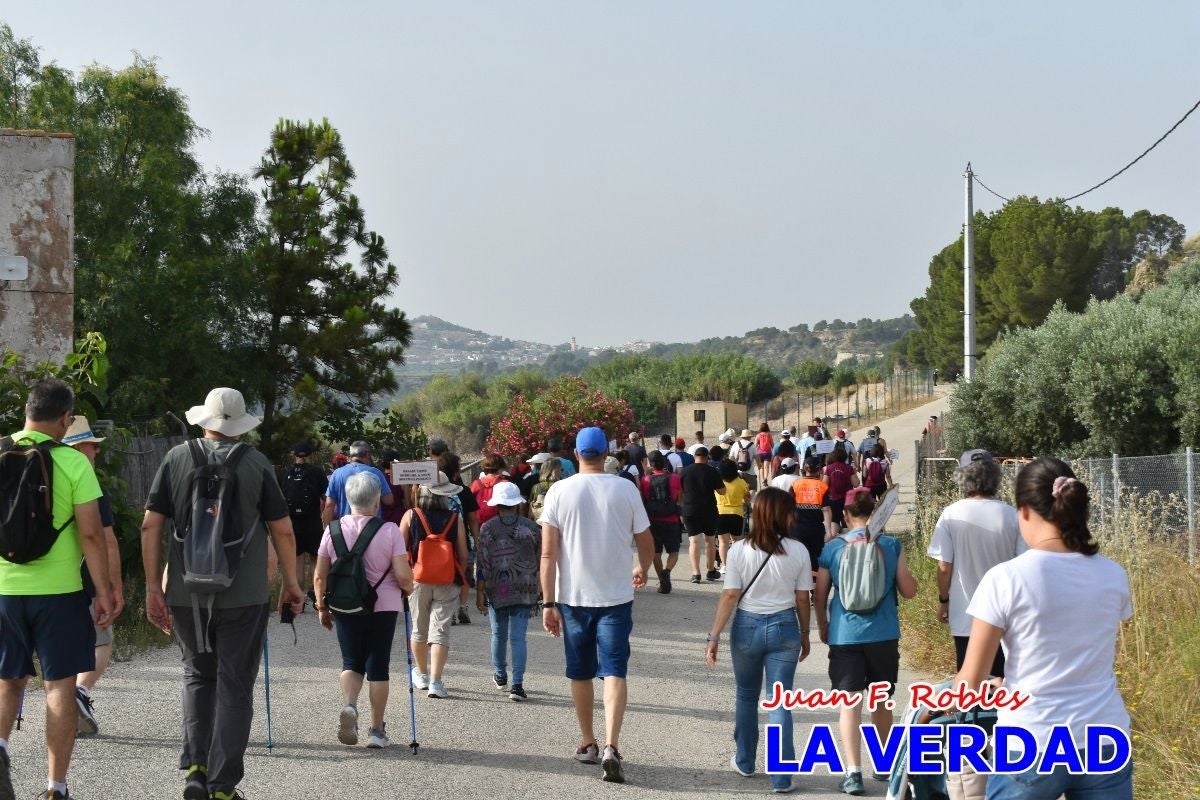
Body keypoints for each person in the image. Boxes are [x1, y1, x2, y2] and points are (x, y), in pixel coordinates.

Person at [141, 387, 303, 800]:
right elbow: (282, 529)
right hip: (244, 595)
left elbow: (150, 526)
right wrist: (291, 582)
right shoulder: (257, 463)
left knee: (197, 675)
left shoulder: (176, 458)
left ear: (204, 420)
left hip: (184, 590)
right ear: (240, 424)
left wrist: (151, 587)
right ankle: (222, 787)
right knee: (234, 685)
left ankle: (196, 769)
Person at [954, 458, 1133, 799]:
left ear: (1023, 512)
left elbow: (970, 682)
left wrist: (934, 703)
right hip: (1105, 737)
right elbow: (1096, 658)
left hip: (1032, 740)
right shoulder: (1113, 575)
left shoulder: (1005, 579)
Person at [0, 381, 114, 800]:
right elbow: (90, 534)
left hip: (4, 591)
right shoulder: (73, 462)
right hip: (61, 593)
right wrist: (103, 590)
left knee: (7, 680)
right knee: (59, 686)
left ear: (27, 410)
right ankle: (55, 787)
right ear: (65, 419)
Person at [539, 426, 654, 784]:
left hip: (573, 599)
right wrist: (643, 567)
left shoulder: (558, 491)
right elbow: (646, 541)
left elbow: (547, 553)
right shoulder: (625, 489)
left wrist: (548, 602)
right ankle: (612, 745)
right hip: (616, 597)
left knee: (580, 671)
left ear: (576, 454)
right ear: (608, 454)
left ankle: (588, 741)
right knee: (615, 670)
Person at [704, 488, 812, 794]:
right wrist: (805, 634)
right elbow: (802, 599)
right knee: (780, 702)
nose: (794, 516)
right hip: (785, 626)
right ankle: (782, 776)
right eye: (791, 511)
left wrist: (714, 636)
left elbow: (729, 596)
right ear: (781, 515)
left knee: (747, 696)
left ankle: (746, 760)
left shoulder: (739, 550)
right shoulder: (798, 551)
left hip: (747, 626)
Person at [814, 487, 918, 796]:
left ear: (845, 515)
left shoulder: (833, 548)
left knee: (850, 704)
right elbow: (909, 590)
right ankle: (884, 765)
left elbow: (819, 595)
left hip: (845, 635)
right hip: (883, 634)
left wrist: (823, 626)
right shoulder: (889, 544)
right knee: (881, 701)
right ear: (874, 513)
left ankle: (853, 772)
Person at [312, 472, 414, 749]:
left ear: (347, 499)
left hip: (345, 604)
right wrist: (410, 588)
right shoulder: (390, 530)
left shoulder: (331, 531)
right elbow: (404, 576)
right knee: (378, 666)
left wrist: (322, 606)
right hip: (383, 606)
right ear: (377, 499)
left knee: (351, 662)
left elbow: (320, 576)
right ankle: (377, 731)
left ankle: (350, 706)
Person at [928, 449, 1024, 676]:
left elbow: (944, 568)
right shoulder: (1012, 515)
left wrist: (944, 600)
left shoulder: (951, 514)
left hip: (965, 613)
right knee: (1003, 683)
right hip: (1005, 615)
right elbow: (1023, 566)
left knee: (969, 683)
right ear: (995, 476)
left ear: (962, 476)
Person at [63, 416, 125, 738]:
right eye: (91, 445)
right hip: (87, 578)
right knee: (103, 639)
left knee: (60, 648)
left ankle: (61, 704)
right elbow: (105, 540)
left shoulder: (45, 478)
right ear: (78, 447)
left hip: (49, 581)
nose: (96, 452)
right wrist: (112, 586)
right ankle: (81, 692)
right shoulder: (88, 483)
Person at [400, 471, 469, 698]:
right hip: (447, 580)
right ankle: (436, 682)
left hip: (417, 579)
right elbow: (463, 554)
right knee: (440, 631)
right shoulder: (454, 518)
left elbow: (399, 550)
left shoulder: (411, 515)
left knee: (418, 629)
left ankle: (420, 674)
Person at [474, 481, 541, 702]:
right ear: (516, 503)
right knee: (519, 637)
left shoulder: (487, 528)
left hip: (498, 587)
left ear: (496, 504)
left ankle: (500, 675)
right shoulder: (531, 528)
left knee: (498, 634)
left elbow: (482, 563)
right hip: (525, 586)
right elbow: (541, 557)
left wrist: (480, 591)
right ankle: (517, 685)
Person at [281, 441, 329, 608]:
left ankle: (298, 603)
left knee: (297, 563)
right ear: (311, 456)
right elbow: (326, 498)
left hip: (293, 524)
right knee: (316, 561)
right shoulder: (317, 472)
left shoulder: (286, 472)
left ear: (294, 455)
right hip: (313, 523)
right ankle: (318, 599)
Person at [437, 452, 479, 626]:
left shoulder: (433, 490)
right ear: (456, 471)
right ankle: (462, 606)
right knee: (464, 574)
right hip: (462, 539)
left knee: (446, 575)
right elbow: (472, 519)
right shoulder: (464, 491)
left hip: (440, 541)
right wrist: (477, 540)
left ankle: (449, 610)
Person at [640, 452, 683, 594]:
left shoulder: (645, 480)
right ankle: (667, 571)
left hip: (653, 520)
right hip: (671, 519)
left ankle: (662, 581)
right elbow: (679, 498)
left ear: (650, 465)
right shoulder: (675, 478)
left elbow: (643, 500)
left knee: (655, 552)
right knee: (674, 551)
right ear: (665, 463)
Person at [680, 447, 725, 583]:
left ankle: (696, 574)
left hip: (689, 509)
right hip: (708, 509)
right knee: (709, 541)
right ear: (707, 458)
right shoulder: (712, 471)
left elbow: (679, 492)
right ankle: (710, 571)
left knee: (694, 541)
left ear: (695, 456)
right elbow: (722, 491)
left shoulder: (684, 471)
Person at [323, 441, 393, 526]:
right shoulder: (376, 473)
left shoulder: (337, 474)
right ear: (367, 454)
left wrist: (328, 530)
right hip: (372, 528)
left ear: (350, 455)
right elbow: (388, 500)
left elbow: (329, 506)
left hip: (344, 529)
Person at [790, 457, 833, 579]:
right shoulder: (822, 487)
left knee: (798, 559)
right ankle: (814, 590)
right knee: (815, 560)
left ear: (804, 469)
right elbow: (826, 509)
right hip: (816, 530)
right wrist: (829, 531)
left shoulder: (795, 485)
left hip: (797, 529)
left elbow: (788, 507)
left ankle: (799, 590)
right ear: (819, 470)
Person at [715, 459, 751, 574]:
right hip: (737, 513)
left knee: (723, 542)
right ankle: (737, 565)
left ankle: (725, 565)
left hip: (720, 513)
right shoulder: (741, 483)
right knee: (737, 542)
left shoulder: (718, 482)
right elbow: (747, 499)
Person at [822, 444, 861, 532]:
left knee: (834, 520)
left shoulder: (828, 468)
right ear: (844, 457)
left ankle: (835, 541)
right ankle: (846, 542)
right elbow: (856, 484)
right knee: (846, 521)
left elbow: (824, 485)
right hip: (848, 499)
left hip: (833, 499)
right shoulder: (849, 468)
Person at [528, 456, 562, 522]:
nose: (561, 472)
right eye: (561, 469)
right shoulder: (562, 486)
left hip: (540, 522)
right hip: (556, 522)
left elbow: (531, 507)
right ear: (556, 471)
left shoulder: (536, 487)